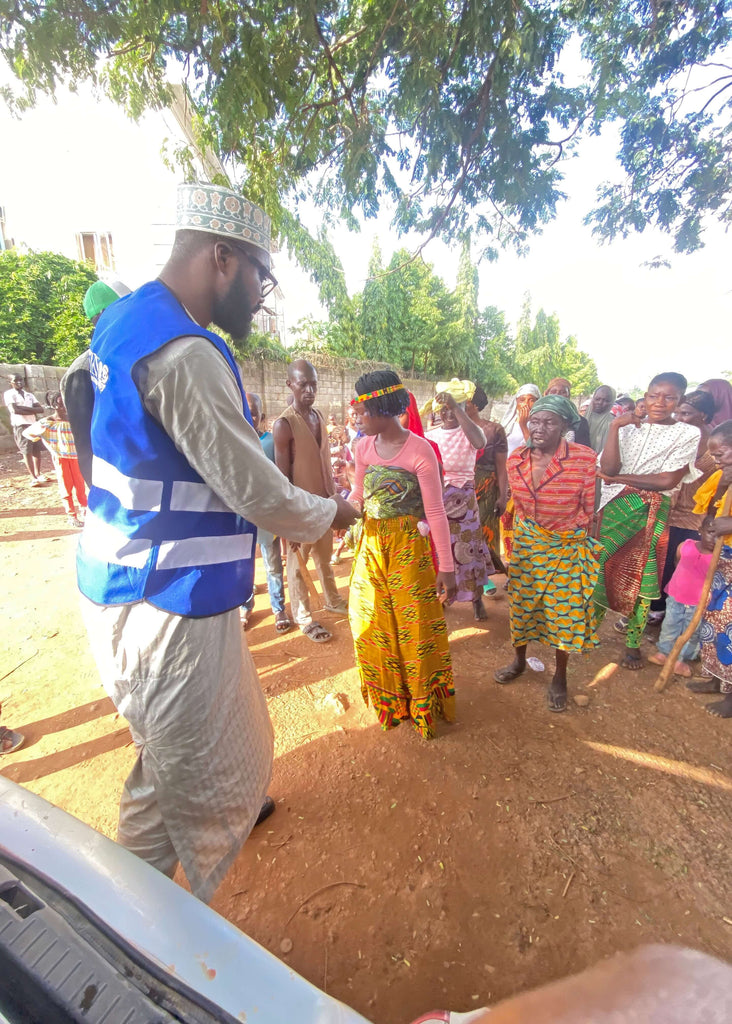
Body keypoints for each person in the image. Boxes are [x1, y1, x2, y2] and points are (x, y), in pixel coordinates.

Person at [72, 182, 357, 903]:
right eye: (262, 276)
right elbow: (254, 488)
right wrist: (332, 515)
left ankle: (124, 925)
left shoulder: (126, 320)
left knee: (161, 772)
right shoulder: (185, 352)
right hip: (166, 601)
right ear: (223, 259)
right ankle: (143, 948)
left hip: (121, 578)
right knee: (188, 787)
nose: (263, 296)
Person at [348, 370, 456, 738]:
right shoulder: (362, 448)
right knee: (371, 620)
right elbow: (358, 497)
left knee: (413, 627)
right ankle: (391, 701)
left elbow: (436, 511)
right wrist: (336, 511)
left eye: (363, 409)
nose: (358, 416)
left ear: (382, 407)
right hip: (372, 548)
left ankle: (421, 702)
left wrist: (447, 565)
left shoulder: (420, 451)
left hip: (409, 550)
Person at [493, 395, 600, 711]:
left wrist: (573, 538)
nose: (539, 428)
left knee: (562, 614)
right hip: (528, 545)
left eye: (549, 421)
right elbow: (520, 507)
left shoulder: (583, 458)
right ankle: (519, 661)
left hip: (565, 546)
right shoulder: (516, 459)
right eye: (535, 421)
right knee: (523, 607)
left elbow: (588, 507)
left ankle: (560, 678)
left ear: (565, 425)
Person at [593, 372, 702, 670]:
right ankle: (590, 630)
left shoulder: (687, 434)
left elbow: (667, 480)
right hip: (615, 508)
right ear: (646, 395)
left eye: (669, 398)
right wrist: (616, 426)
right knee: (602, 566)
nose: (660, 403)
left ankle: (632, 643)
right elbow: (608, 465)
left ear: (679, 400)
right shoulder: (627, 427)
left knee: (643, 577)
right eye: (654, 395)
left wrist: (617, 479)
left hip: (651, 512)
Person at [273, 359, 349, 643]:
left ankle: (331, 599)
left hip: (325, 505)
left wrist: (334, 500)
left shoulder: (318, 417)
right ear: (290, 384)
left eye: (313, 384)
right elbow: (282, 479)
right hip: (301, 510)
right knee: (297, 565)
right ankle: (304, 617)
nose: (309, 390)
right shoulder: (285, 424)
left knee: (324, 558)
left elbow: (324, 466)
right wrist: (288, 520)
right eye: (302, 384)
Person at [646, 388, 717, 621]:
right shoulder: (676, 439)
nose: (679, 418)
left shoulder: (716, 445)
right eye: (678, 413)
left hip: (696, 517)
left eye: (686, 413)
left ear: (704, 416)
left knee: (684, 566)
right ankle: (655, 608)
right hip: (666, 509)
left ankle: (677, 614)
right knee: (659, 561)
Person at [428, 380, 493, 620]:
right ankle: (444, 596)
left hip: (464, 501)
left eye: (453, 408)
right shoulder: (431, 435)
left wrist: (456, 407)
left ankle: (476, 600)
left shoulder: (470, 432)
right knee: (441, 551)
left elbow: (480, 443)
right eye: (443, 409)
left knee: (468, 550)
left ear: (464, 408)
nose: (448, 413)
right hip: (438, 499)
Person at [62, 279, 130, 486]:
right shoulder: (82, 370)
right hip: (119, 491)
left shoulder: (133, 356)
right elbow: (85, 445)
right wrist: (101, 496)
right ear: (102, 316)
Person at [687, 418, 732, 717]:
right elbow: (711, 512)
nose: (716, 459)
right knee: (714, 621)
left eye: (722, 453)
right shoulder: (723, 477)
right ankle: (717, 679)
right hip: (723, 560)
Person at [241, 393, 292, 633]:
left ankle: (278, 607)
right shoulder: (233, 441)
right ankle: (245, 604)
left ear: (261, 416)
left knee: (272, 565)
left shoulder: (270, 443)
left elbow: (280, 479)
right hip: (240, 516)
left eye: (253, 412)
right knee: (242, 564)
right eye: (244, 410)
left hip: (265, 516)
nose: (248, 416)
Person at [647, 515, 715, 678]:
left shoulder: (718, 558)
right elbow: (677, 563)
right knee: (670, 625)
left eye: (720, 535)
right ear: (700, 531)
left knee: (691, 633)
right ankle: (664, 652)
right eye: (711, 532)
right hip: (676, 596)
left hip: (698, 604)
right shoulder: (685, 546)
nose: (714, 538)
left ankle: (682, 660)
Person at [465, 384, 508, 581]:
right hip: (460, 485)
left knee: (484, 531)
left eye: (464, 400)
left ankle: (485, 577)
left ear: (474, 404)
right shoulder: (451, 429)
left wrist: (502, 496)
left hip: (486, 485)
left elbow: (501, 466)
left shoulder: (495, 430)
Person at [27, 391, 88, 527]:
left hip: (76, 457)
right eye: (61, 405)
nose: (64, 407)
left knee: (80, 485)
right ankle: (71, 515)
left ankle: (84, 509)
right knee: (66, 486)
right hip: (60, 458)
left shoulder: (73, 420)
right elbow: (29, 433)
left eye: (66, 404)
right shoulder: (48, 422)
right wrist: (48, 443)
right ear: (54, 405)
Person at [3, 374, 47, 485]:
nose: (19, 382)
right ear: (10, 383)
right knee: (26, 451)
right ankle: (33, 477)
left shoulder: (29, 395)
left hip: (32, 424)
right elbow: (14, 410)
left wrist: (23, 408)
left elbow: (40, 409)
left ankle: (38, 473)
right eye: (15, 381)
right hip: (21, 425)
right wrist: (32, 410)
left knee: (36, 449)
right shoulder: (9, 394)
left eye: (21, 380)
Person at [543, 377, 591, 446]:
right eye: (553, 392)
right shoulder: (540, 418)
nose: (557, 395)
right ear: (547, 394)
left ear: (568, 396)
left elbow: (584, 449)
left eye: (563, 392)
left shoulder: (580, 422)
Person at [501, 383, 540, 455]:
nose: (526, 404)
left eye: (531, 400)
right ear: (516, 402)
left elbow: (536, 450)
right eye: (522, 400)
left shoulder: (540, 425)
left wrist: (523, 425)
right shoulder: (508, 423)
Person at [585, 384, 616, 452]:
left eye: (606, 400)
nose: (600, 402)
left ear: (612, 402)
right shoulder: (581, 418)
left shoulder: (614, 424)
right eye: (597, 399)